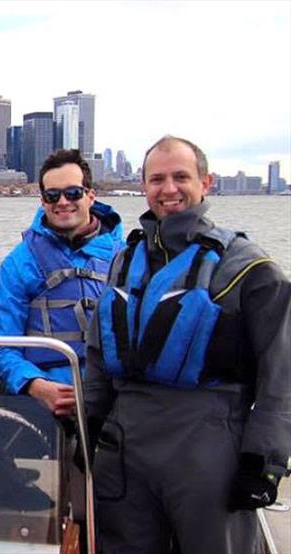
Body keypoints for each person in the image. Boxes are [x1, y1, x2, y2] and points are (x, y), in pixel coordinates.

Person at [84, 135, 291, 553]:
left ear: (206, 182)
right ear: (143, 185)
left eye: (181, 176)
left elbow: (281, 373)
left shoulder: (249, 267)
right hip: (125, 444)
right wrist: (88, 425)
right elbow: (98, 357)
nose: (168, 189)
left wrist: (264, 461)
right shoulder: (124, 262)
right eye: (157, 179)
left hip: (209, 441)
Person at [0, 149, 124, 416]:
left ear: (91, 195)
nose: (63, 202)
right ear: (43, 201)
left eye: (73, 192)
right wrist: (35, 385)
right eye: (53, 195)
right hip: (42, 396)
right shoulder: (19, 263)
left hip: (109, 394)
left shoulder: (126, 258)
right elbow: (3, 345)